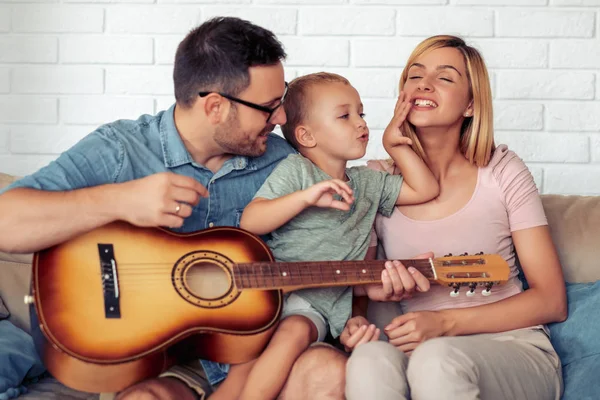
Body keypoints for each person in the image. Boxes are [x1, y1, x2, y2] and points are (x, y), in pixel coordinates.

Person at [0, 17, 348, 400]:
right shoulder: (122, 149)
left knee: (328, 374)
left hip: (245, 354)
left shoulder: (283, 161)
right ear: (215, 106)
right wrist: (121, 199)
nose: (281, 118)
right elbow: (7, 221)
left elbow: (342, 217)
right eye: (269, 107)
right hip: (139, 351)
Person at [343, 35, 567, 400]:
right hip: (410, 352)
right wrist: (356, 319)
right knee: (367, 360)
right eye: (415, 76)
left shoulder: (501, 170)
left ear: (470, 104)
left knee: (436, 357)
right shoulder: (374, 180)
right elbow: (361, 295)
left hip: (509, 348)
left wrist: (444, 323)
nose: (424, 85)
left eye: (445, 78)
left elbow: (552, 300)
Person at [207, 72, 439, 400]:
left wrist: (393, 143)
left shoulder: (368, 183)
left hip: (322, 307)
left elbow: (426, 188)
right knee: (244, 363)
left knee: (295, 330)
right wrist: (306, 197)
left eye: (361, 114)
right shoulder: (296, 171)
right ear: (306, 135)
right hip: (272, 296)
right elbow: (252, 220)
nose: (360, 123)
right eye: (345, 116)